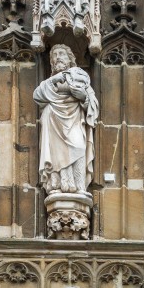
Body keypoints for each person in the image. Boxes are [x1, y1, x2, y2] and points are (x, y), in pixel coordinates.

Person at [34, 44, 99, 195]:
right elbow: (37, 96)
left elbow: (92, 101)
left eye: (61, 54)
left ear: (70, 58)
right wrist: (53, 81)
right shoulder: (51, 81)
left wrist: (83, 97)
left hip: (74, 117)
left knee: (78, 146)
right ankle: (57, 185)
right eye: (54, 55)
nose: (57, 58)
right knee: (56, 153)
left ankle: (79, 185)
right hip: (53, 120)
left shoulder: (79, 75)